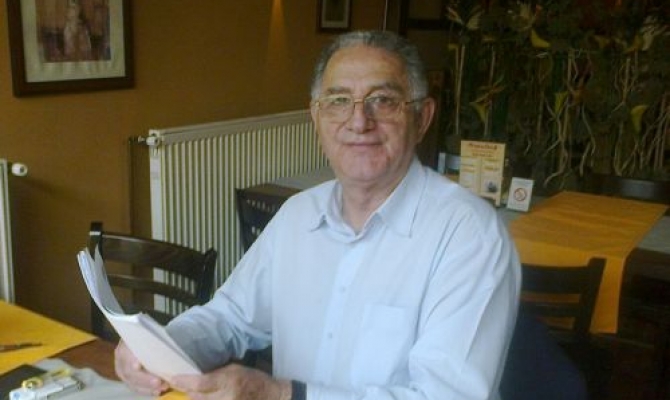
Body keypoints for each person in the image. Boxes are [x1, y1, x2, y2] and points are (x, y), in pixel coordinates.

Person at [115, 30, 521, 400]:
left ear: (422, 117)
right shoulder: (297, 215)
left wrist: (281, 395)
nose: (359, 121)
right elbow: (230, 316)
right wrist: (161, 345)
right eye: (338, 101)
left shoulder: (469, 235)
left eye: (383, 100)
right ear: (316, 117)